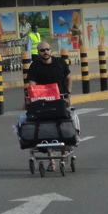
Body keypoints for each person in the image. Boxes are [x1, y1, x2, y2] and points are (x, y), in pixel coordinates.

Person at [25, 41, 72, 171]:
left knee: (62, 127)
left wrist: (68, 95)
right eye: (42, 50)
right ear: (38, 52)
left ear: (50, 50)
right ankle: (51, 161)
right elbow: (32, 85)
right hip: (43, 103)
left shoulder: (60, 63)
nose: (45, 52)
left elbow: (69, 78)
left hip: (60, 101)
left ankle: (64, 153)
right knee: (46, 130)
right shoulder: (35, 66)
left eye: (47, 49)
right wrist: (30, 99)